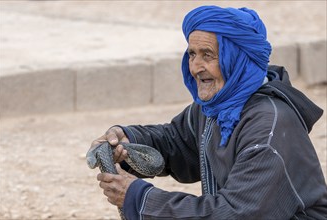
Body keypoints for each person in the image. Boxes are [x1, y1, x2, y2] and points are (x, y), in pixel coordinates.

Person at [88, 5, 327, 219]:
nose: (195, 67)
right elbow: (179, 142)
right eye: (192, 54)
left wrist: (139, 198)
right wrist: (129, 141)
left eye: (208, 55)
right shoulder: (216, 107)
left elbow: (236, 213)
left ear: (237, 60)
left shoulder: (269, 127)